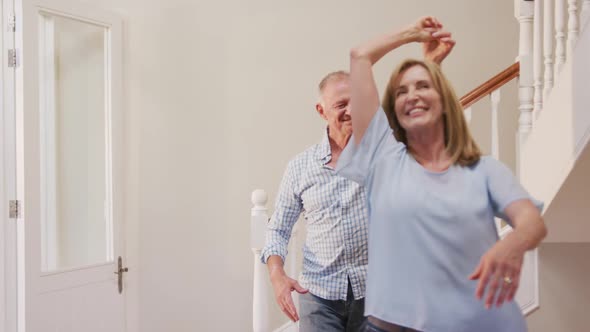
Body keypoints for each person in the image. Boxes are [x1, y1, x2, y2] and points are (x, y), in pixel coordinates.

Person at [336, 16, 548, 332]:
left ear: (447, 104)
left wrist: (513, 242)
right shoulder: (382, 157)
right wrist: (411, 34)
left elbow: (533, 222)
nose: (411, 96)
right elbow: (360, 56)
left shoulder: (483, 169)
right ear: (393, 110)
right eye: (401, 92)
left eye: (423, 87)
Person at [261, 38, 454, 332]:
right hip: (319, 297)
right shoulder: (300, 167)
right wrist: (277, 276)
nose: (351, 111)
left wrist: (433, 65)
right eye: (341, 104)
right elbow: (278, 229)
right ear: (321, 110)